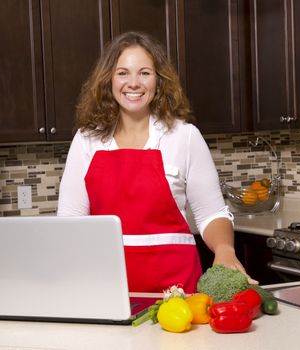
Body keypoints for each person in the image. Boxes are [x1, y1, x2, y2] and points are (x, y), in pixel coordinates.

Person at [57, 31, 254, 293]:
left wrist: (225, 250)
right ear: (109, 80)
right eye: (123, 73)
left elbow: (211, 214)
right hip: (106, 292)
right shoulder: (86, 141)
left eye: (145, 73)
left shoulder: (184, 137)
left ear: (159, 81)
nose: (134, 83)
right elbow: (70, 224)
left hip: (178, 297)